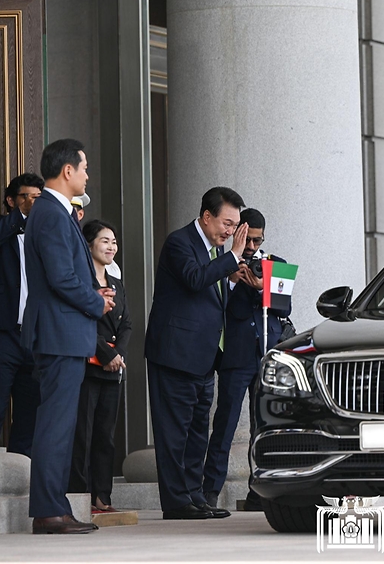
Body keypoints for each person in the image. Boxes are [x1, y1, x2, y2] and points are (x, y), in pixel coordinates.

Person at [23, 138, 113, 534]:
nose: (88, 175)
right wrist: (97, 303)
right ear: (67, 171)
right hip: (59, 333)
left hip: (65, 333)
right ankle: (48, 510)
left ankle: (54, 505)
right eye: (85, 167)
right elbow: (62, 278)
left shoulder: (56, 213)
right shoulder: (51, 213)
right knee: (56, 425)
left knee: (59, 423)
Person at [145, 187, 248, 520]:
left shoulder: (218, 254)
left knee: (196, 433)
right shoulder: (180, 243)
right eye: (227, 223)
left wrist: (233, 277)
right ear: (207, 216)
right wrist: (232, 257)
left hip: (204, 358)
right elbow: (193, 279)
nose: (230, 231)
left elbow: (213, 299)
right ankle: (176, 502)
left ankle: (194, 496)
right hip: (175, 354)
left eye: (235, 225)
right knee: (174, 433)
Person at [203, 208, 290, 510]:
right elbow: (220, 306)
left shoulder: (275, 264)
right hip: (237, 357)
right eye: (248, 240)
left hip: (266, 355)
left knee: (263, 426)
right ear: (238, 234)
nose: (252, 247)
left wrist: (263, 289)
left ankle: (261, 492)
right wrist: (232, 281)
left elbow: (284, 308)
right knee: (225, 423)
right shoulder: (225, 266)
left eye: (257, 241)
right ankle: (210, 491)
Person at [0, 172, 45, 456]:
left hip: (34, 337)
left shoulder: (43, 234)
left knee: (30, 416)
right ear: (10, 201)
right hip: (3, 336)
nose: (32, 203)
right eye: (26, 197)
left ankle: (23, 479)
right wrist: (20, 215)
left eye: (38, 198)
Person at [69, 220, 131, 514]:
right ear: (89, 244)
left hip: (113, 368)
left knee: (106, 436)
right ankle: (80, 495)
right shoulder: (81, 282)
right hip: (89, 365)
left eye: (114, 241)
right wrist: (106, 354)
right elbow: (83, 322)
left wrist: (117, 354)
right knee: (84, 434)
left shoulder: (117, 283)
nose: (111, 247)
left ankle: (102, 497)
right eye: (105, 241)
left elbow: (127, 324)